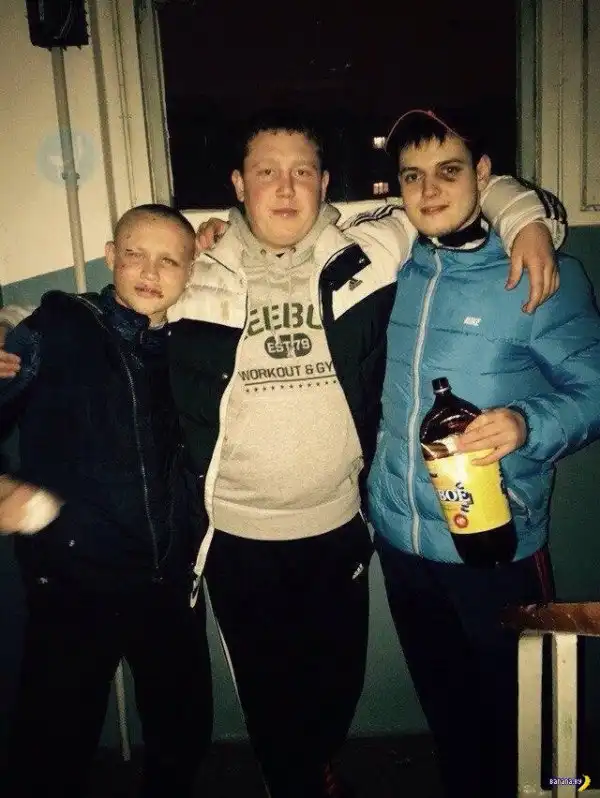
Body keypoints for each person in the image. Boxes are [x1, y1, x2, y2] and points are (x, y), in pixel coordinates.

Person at [0, 110, 565, 798]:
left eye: (302, 171)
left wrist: (528, 221)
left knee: (337, 679)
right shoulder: (193, 272)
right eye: (267, 172)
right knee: (264, 694)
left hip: (338, 524)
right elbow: (109, 313)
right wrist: (16, 331)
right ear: (239, 184)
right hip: (236, 535)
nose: (286, 187)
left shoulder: (372, 248)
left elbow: (459, 190)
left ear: (325, 183)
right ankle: (291, 782)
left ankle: (317, 767)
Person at [365, 109, 600, 798]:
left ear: (485, 175)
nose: (430, 190)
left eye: (450, 170)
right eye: (413, 176)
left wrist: (528, 424)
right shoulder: (392, 268)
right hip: (402, 541)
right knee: (449, 717)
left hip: (495, 549)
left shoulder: (538, 271)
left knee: (523, 725)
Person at [0, 205, 213, 798]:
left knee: (183, 733)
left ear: (191, 270)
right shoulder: (58, 328)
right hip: (75, 582)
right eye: (135, 254)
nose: (150, 272)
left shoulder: (190, 347)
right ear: (110, 256)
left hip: (169, 580)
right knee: (52, 747)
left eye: (169, 260)